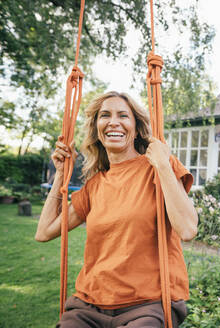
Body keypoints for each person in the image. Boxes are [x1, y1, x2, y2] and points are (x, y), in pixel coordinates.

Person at [35, 91, 198, 328]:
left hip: (148, 305)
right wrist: (60, 174)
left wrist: (162, 164)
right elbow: (44, 232)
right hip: (90, 306)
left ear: (136, 127)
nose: (114, 122)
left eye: (123, 115)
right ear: (97, 128)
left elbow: (188, 229)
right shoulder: (94, 186)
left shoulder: (159, 167)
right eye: (105, 116)